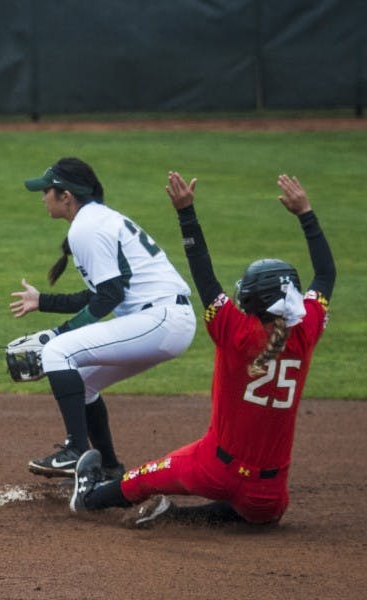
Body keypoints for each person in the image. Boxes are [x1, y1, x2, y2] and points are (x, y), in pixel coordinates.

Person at [70, 172, 335, 527]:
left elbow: (204, 276)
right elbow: (326, 275)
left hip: (214, 470)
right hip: (270, 498)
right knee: (254, 509)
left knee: (139, 481)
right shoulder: (307, 330)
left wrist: (186, 214)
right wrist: (306, 212)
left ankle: (88, 499)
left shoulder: (237, 332)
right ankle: (183, 517)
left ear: (253, 302)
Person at [10, 157, 197, 479]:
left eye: (47, 192)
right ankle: (109, 468)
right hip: (163, 319)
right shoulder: (98, 219)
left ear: (65, 196)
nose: (43, 198)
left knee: (58, 352)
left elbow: (110, 296)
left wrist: (58, 334)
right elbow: (104, 293)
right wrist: (44, 301)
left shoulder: (87, 227)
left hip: (159, 319)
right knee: (81, 383)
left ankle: (74, 450)